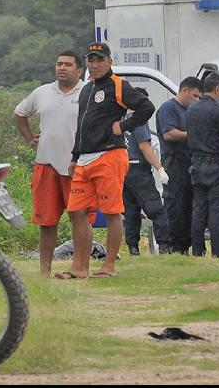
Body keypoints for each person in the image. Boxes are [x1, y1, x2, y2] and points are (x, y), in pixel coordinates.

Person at [55, 42, 154, 279]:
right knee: (76, 212)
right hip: (84, 160)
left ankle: (108, 265)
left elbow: (146, 107)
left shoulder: (119, 85)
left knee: (111, 212)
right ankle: (79, 267)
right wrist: (75, 156)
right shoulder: (87, 89)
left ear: (109, 61)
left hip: (109, 156)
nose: (95, 64)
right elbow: (82, 125)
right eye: (91, 60)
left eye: (99, 59)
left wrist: (125, 126)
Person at [14, 50, 92, 276]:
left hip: (77, 165)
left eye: (68, 64)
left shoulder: (87, 91)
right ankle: (44, 271)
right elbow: (20, 114)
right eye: (59, 64)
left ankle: (80, 267)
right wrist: (30, 139)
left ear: (79, 70)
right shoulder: (42, 92)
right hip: (46, 164)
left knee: (80, 217)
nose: (62, 68)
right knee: (46, 221)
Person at [186, 72, 219, 258]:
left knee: (198, 209)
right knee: (217, 209)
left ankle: (197, 250)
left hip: (197, 165)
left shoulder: (192, 108)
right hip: (216, 165)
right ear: (217, 89)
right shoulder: (218, 110)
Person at [155, 76, 202, 254]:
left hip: (189, 162)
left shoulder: (190, 111)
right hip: (174, 163)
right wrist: (194, 135)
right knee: (175, 205)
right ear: (185, 91)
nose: (197, 100)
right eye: (195, 96)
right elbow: (169, 134)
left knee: (189, 205)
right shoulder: (169, 108)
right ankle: (171, 245)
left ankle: (184, 244)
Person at [122, 87, 170, 256]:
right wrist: (159, 167)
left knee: (130, 212)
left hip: (122, 171)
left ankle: (133, 249)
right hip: (138, 171)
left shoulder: (119, 120)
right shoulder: (138, 119)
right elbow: (144, 147)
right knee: (155, 209)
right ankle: (164, 246)